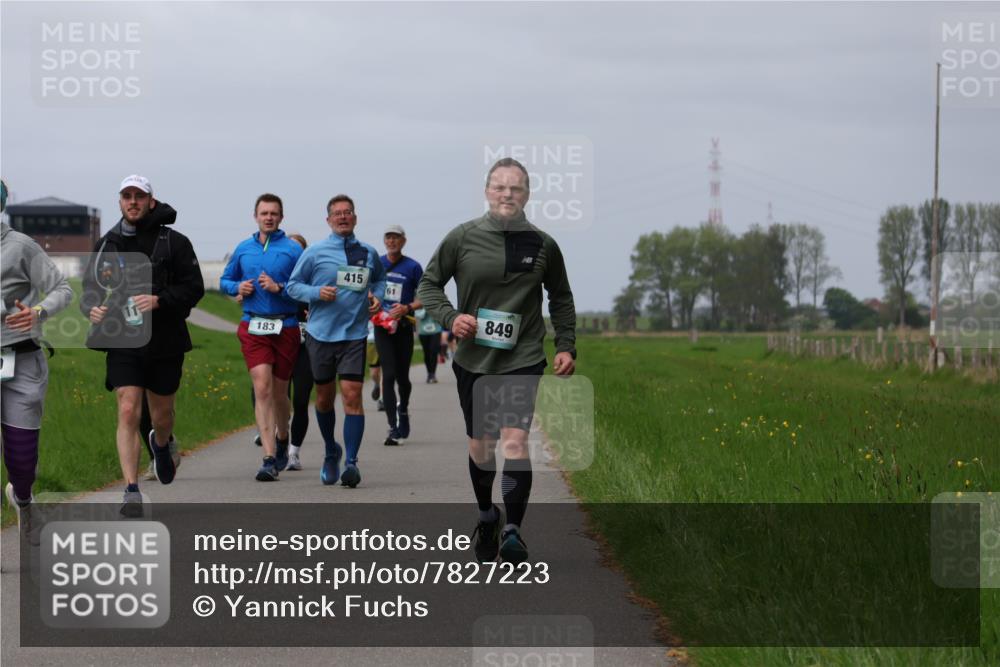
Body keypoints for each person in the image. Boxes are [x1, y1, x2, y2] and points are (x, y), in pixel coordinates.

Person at [417, 158, 577, 564]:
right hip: (474, 359)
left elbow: (560, 296)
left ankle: (513, 531)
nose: (508, 194)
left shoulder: (543, 244)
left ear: (528, 194)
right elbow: (429, 285)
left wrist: (566, 345)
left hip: (523, 356)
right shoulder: (462, 238)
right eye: (500, 187)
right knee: (481, 446)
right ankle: (488, 514)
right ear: (488, 192)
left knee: (515, 440)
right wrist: (452, 318)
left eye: (516, 188)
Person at [81, 175, 205, 517]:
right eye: (127, 196)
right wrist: (91, 308)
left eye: (139, 196)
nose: (133, 201)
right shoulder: (107, 244)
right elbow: (89, 290)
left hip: (165, 339)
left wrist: (159, 300)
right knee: (127, 409)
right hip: (122, 338)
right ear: (120, 201)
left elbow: (193, 288)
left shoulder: (174, 242)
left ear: (151, 201)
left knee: (162, 415)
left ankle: (162, 444)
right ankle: (132, 490)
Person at [286, 195, 385, 487]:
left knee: (352, 395)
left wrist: (377, 296)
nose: (343, 217)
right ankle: (331, 450)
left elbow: (379, 280)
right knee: (324, 399)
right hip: (320, 335)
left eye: (347, 212)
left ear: (355, 218)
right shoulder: (314, 252)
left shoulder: (368, 252)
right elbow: (293, 286)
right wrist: (316, 293)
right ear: (328, 220)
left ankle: (351, 462)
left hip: (354, 334)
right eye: (337, 213)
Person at [1, 178, 73, 535]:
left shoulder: (20, 247)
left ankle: (23, 497)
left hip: (21, 360)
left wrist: (39, 312)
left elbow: (63, 289)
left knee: (22, 459)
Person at [220, 194, 303, 481]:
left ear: (281, 217)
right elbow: (225, 280)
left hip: (286, 326)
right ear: (255, 216)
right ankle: (268, 457)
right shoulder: (243, 248)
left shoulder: (293, 250)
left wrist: (280, 288)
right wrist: (237, 287)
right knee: (262, 387)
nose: (268, 217)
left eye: (273, 213)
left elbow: (304, 287)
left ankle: (283, 436)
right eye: (264, 213)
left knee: (280, 393)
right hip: (253, 325)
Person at [374, 225, 423, 446]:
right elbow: (366, 289)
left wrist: (407, 307)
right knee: (389, 374)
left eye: (396, 238)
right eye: (388, 237)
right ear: (384, 241)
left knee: (403, 377)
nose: (392, 241)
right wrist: (372, 303)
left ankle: (403, 409)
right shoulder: (377, 264)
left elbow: (426, 296)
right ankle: (392, 427)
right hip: (382, 327)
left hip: (403, 326)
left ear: (403, 241)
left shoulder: (413, 267)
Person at [416, 307, 443, 383]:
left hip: (436, 330)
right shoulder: (419, 303)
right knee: (426, 352)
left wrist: (432, 308)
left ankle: (433, 374)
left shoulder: (436, 303)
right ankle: (429, 373)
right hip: (423, 332)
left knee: (434, 351)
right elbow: (419, 315)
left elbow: (440, 315)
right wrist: (426, 307)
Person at [366, 320, 383, 411]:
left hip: (386, 337)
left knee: (386, 371)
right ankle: (377, 384)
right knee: (374, 373)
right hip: (371, 340)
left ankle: (382, 400)